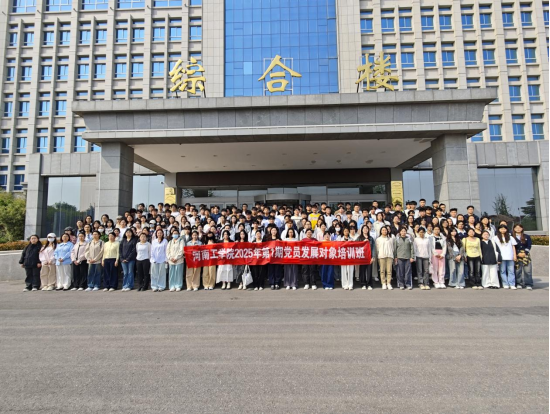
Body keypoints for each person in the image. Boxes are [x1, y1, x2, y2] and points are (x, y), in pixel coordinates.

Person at [492, 224, 518, 290]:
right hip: (501, 257)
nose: (503, 230)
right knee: (502, 271)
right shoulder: (495, 238)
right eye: (501, 229)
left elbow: (513, 247)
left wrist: (514, 255)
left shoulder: (510, 237)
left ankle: (512, 284)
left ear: (506, 229)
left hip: (510, 256)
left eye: (504, 229)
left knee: (511, 271)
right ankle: (505, 284)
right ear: (499, 230)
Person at [512, 224, 533, 290]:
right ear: (514, 229)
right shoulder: (512, 237)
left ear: (522, 228)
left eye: (519, 227)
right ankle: (519, 283)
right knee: (518, 270)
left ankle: (528, 284)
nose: (518, 229)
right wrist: (517, 253)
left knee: (527, 270)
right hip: (517, 254)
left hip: (525, 255)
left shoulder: (527, 236)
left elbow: (529, 245)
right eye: (516, 228)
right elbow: (512, 246)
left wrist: (525, 252)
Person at [358, 225, 375, 290]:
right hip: (362, 256)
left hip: (369, 256)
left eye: (366, 228)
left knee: (369, 271)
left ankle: (369, 284)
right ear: (362, 230)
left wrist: (373, 257)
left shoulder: (371, 238)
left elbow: (373, 248)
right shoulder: (359, 238)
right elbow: (355, 245)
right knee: (362, 271)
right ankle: (363, 284)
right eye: (364, 228)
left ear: (368, 230)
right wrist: (363, 242)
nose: (365, 229)